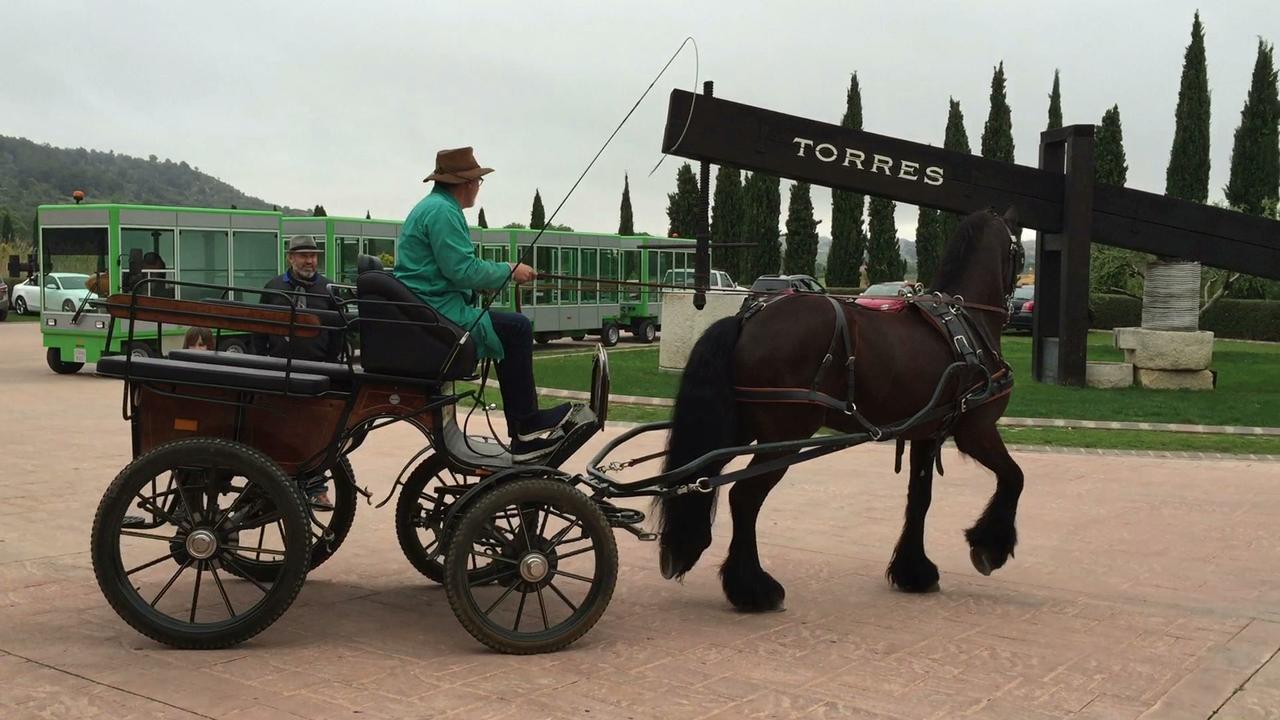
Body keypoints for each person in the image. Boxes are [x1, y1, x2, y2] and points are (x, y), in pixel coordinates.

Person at [396, 146, 574, 461]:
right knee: (517, 328)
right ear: (465, 183)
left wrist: (502, 272)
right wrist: (509, 270)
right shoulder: (442, 212)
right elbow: (462, 270)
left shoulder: (435, 208)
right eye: (478, 180)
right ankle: (525, 427)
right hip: (437, 314)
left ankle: (523, 427)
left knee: (509, 327)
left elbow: (456, 269)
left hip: (430, 308)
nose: (479, 186)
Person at [254, 236, 342, 362]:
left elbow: (338, 332)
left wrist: (330, 361)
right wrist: (263, 358)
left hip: (319, 366)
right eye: (304, 256)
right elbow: (259, 327)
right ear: (290, 258)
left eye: (313, 256)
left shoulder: (329, 289)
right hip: (279, 365)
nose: (309, 261)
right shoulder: (273, 287)